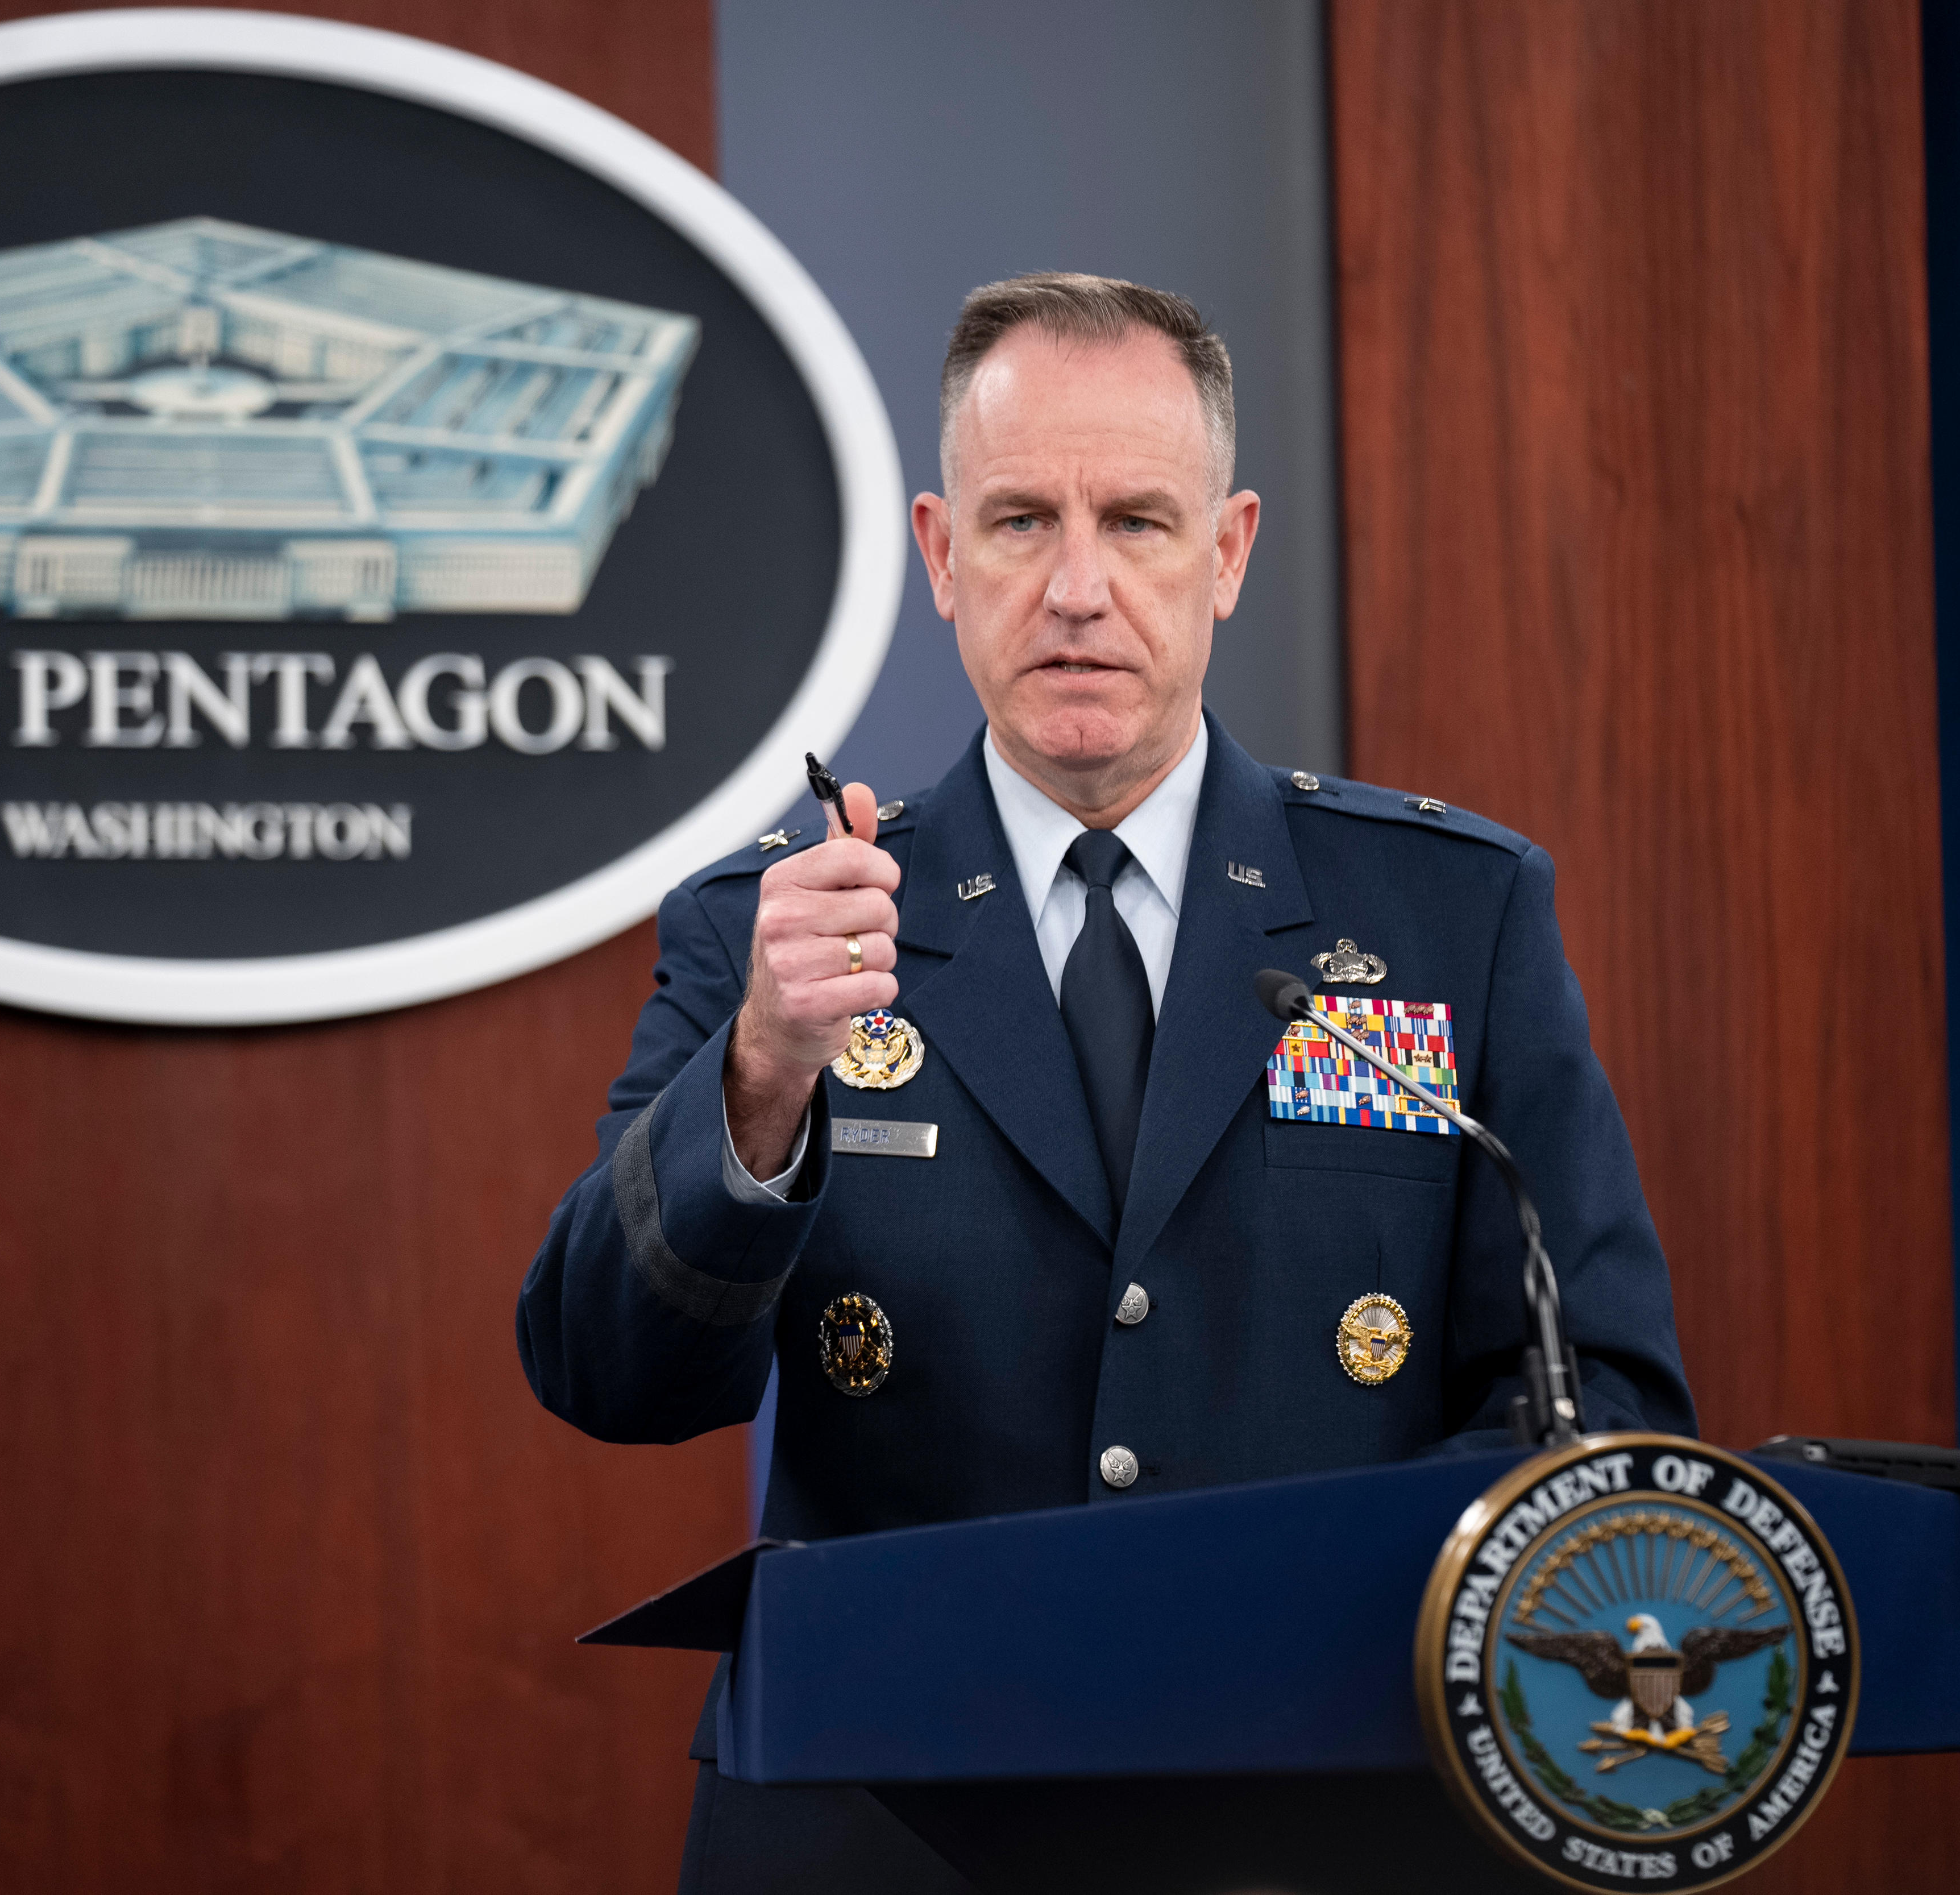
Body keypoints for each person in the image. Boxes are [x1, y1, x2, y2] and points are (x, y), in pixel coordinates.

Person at [517, 273, 1693, 1892]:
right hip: (894, 1818)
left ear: (1227, 555)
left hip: (1330, 1805)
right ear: (939, 555)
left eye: (1138, 521)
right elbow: (605, 1376)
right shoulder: (781, 929)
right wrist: (765, 1072)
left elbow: (1602, 1396)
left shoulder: (1447, 917)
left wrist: (1288, 1615)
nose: (1078, 588)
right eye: (1019, 523)